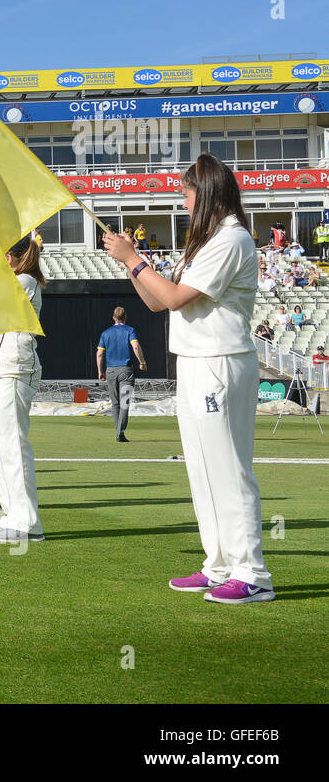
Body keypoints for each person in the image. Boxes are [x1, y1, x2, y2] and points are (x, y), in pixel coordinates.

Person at [105, 152, 273, 603]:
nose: (182, 203)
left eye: (186, 194)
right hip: (197, 360)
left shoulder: (231, 239)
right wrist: (129, 264)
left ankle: (252, 572)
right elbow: (159, 302)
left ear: (208, 194)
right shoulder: (207, 242)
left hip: (221, 360)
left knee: (228, 467)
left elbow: (176, 298)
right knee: (201, 468)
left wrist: (134, 257)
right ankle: (218, 564)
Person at [0, 234, 45, 543]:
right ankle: (12, 515)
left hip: (14, 370)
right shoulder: (11, 281)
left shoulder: (26, 281)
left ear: (11, 258)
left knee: (14, 447)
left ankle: (27, 521)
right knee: (0, 447)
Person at [97, 306, 149, 442]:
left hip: (111, 371)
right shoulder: (130, 331)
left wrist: (100, 371)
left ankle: (118, 430)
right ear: (125, 317)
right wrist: (142, 362)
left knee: (115, 403)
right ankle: (120, 432)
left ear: (113, 318)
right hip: (126, 371)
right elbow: (136, 346)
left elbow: (99, 354)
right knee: (124, 403)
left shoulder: (105, 333)